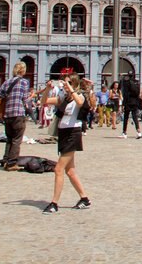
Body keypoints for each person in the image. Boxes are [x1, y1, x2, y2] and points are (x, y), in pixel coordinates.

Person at [42, 74, 94, 214]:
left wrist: (70, 88)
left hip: (73, 133)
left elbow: (79, 102)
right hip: (64, 134)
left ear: (74, 84)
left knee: (58, 169)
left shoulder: (80, 96)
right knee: (70, 171)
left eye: (69, 82)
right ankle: (84, 198)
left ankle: (54, 203)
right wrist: (47, 89)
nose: (65, 85)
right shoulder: (63, 98)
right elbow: (44, 101)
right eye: (65, 83)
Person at [0, 60, 33, 171]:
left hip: (7, 114)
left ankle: (5, 160)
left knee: (9, 138)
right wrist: (32, 97)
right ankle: (11, 163)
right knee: (16, 139)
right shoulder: (24, 82)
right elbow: (25, 100)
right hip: (18, 113)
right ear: (23, 70)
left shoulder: (7, 82)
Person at [121, 72, 142, 139]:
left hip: (128, 102)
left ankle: (124, 132)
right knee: (135, 117)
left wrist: (123, 103)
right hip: (135, 102)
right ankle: (138, 131)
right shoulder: (137, 82)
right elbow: (138, 93)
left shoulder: (126, 83)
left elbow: (125, 94)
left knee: (126, 117)